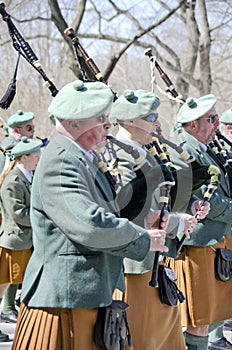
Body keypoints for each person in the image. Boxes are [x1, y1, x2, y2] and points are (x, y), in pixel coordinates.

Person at [11, 80, 169, 350]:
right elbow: (89, 224)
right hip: (67, 298)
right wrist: (142, 238)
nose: (108, 125)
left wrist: (145, 217)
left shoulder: (79, 157)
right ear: (73, 124)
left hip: (84, 294)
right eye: (100, 118)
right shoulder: (61, 161)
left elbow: (106, 209)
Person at [108, 89, 211, 350]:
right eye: (151, 116)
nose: (157, 121)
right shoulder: (120, 155)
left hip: (155, 258)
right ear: (131, 122)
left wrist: (191, 205)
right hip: (137, 264)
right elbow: (129, 210)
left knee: (168, 340)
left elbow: (163, 195)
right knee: (144, 340)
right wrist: (176, 222)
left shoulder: (144, 150)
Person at [169, 95, 232, 350]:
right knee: (198, 317)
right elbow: (210, 201)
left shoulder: (204, 149)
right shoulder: (183, 152)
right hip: (196, 246)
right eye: (212, 119)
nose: (217, 124)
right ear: (193, 125)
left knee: (207, 316)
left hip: (212, 243)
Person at [0, 137, 41, 342]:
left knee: (21, 283)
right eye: (35, 155)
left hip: (27, 241)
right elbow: (18, 213)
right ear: (24, 157)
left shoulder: (28, 177)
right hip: (15, 242)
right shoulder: (13, 181)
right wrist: (42, 216)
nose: (38, 159)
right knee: (3, 285)